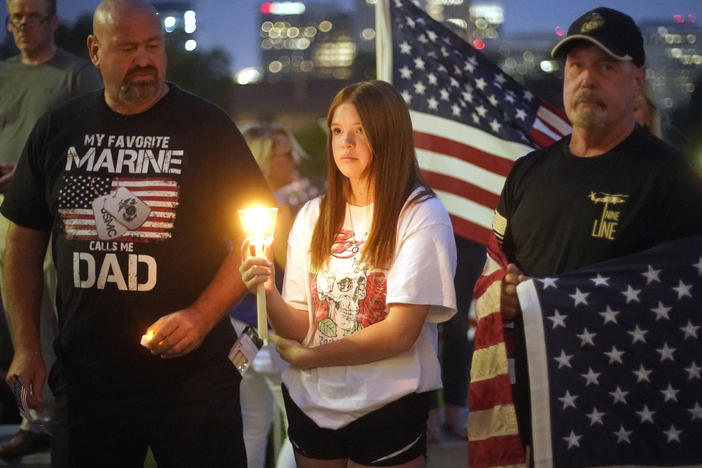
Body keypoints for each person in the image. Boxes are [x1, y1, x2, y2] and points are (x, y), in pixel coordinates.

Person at [0, 0, 273, 466]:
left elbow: (257, 236)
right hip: (89, 380)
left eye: (153, 46)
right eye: (127, 48)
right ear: (94, 49)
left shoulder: (206, 127)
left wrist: (201, 316)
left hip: (194, 380)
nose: (144, 59)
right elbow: (22, 247)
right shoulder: (59, 131)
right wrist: (26, 347)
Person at [473, 6, 702, 458]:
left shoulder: (669, 177)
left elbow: (686, 302)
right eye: (576, 66)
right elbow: (494, 269)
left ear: (636, 79)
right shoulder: (526, 174)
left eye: (606, 67)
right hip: (534, 413)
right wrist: (499, 295)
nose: (587, 79)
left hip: (624, 421)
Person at [240, 80, 457, 468]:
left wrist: (312, 357)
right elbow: (300, 321)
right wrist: (267, 289)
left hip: (386, 402)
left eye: (360, 131)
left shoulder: (420, 215)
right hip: (313, 403)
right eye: (338, 131)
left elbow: (399, 333)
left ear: (388, 135)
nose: (346, 143)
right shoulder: (314, 214)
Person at [0, 0, 101, 457]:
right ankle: (35, 421)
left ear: (53, 21)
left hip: (64, 218)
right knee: (25, 323)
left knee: (69, 318)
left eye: (33, 16)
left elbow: (95, 138)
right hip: (10, 217)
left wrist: (31, 170)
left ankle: (79, 414)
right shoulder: (4, 75)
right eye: (15, 17)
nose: (23, 25)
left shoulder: (76, 75)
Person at [231, 124, 318, 468]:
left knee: (251, 423)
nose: (294, 161)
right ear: (264, 160)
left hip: (236, 329)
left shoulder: (231, 205)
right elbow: (295, 270)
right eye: (286, 153)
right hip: (269, 331)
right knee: (303, 423)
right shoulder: (273, 211)